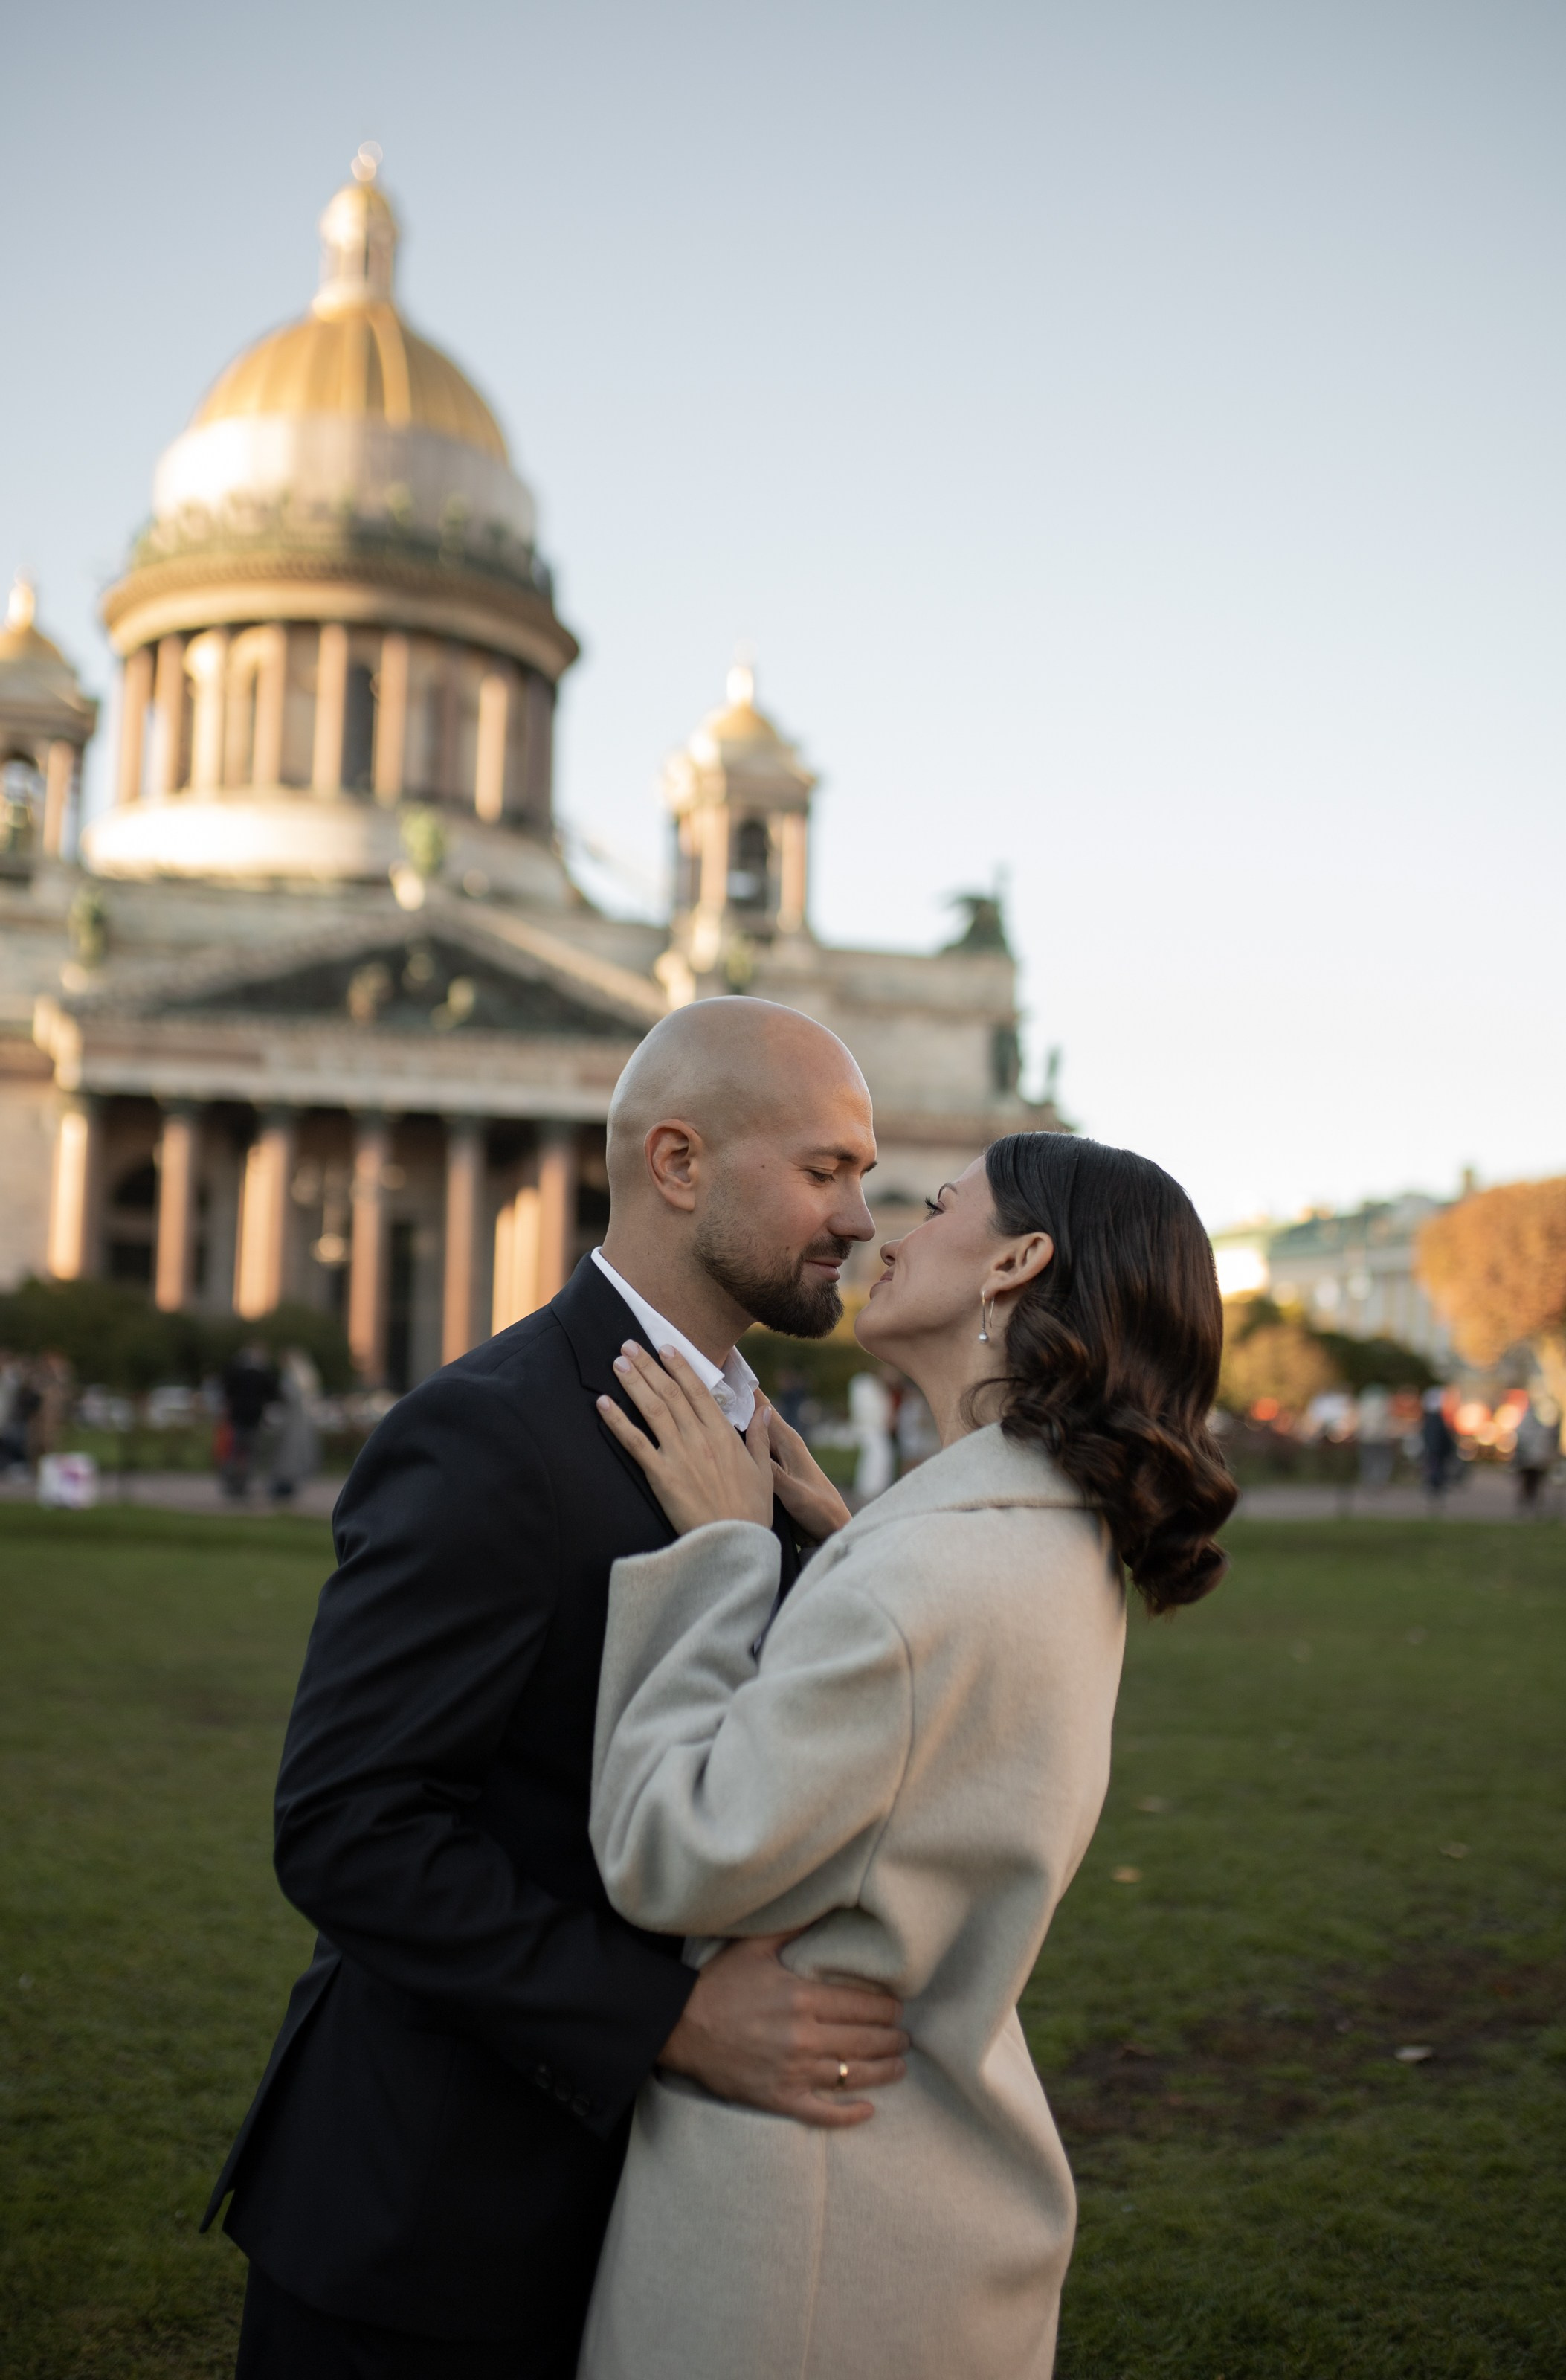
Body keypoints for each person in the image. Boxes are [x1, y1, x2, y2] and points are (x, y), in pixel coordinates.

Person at [204, 998, 906, 2380]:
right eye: (826, 1171)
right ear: (677, 1163)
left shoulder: (757, 1428)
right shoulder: (488, 1428)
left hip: (636, 2224)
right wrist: (667, 2022)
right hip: (427, 2228)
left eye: (864, 1178)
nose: (861, 1218)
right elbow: (351, 1825)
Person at [581, 1131, 1237, 2380]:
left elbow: (673, 1850)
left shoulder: (923, 1578)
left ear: (1017, 1262)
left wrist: (722, 1558)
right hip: (924, 2199)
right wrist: (851, 1547)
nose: (884, 1232)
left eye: (939, 1206)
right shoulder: (1052, 1542)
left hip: (800, 2238)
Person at [220, 1342, 280, 1499]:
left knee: (235, 1451)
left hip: (238, 1417)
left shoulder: (236, 1373)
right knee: (250, 1453)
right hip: (254, 1418)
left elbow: (227, 1391)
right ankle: (243, 1485)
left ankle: (230, 1483)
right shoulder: (263, 1375)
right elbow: (274, 1394)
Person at [1513, 1395, 1560, 1514]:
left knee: (1530, 1484)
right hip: (1534, 1460)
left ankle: (1527, 1507)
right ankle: (1529, 1507)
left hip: (1532, 1460)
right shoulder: (1537, 1424)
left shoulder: (1531, 1423)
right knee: (1532, 1484)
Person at [1420, 1386, 1457, 1505]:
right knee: (1436, 1470)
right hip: (1436, 1450)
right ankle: (1435, 1489)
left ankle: (1434, 1489)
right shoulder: (1437, 1419)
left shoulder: (1430, 1419)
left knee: (1434, 1469)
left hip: (1434, 1450)